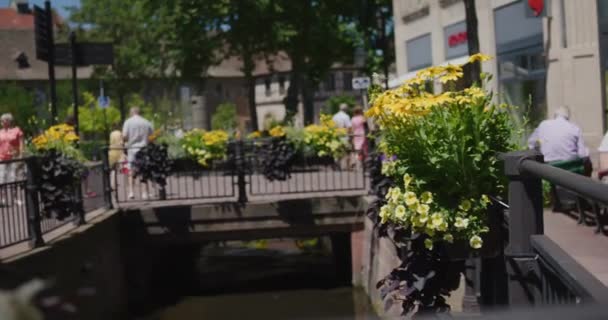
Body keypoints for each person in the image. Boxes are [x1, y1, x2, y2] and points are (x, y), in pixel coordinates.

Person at [528, 106, 590, 211]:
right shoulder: (574, 128)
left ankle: (555, 201)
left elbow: (531, 143)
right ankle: (583, 199)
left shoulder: (544, 125)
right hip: (572, 166)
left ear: (555, 115)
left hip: (550, 166)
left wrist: (540, 151)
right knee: (588, 165)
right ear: (568, 117)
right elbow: (583, 154)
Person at [122, 107, 154, 200]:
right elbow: (151, 135)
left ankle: (131, 192)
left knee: (131, 170)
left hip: (132, 149)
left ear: (131, 113)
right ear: (139, 113)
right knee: (144, 170)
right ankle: (145, 193)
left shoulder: (128, 122)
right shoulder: (146, 122)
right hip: (144, 148)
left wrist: (127, 140)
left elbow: (124, 136)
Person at [0, 113, 23, 206]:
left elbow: (21, 144)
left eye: (5, 120)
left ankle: (15, 199)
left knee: (13, 179)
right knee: (1, 179)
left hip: (13, 158)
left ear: (9, 121)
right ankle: (2, 199)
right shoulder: (0, 132)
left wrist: (21, 155)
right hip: (1, 158)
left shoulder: (16, 130)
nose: (3, 122)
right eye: (2, 120)